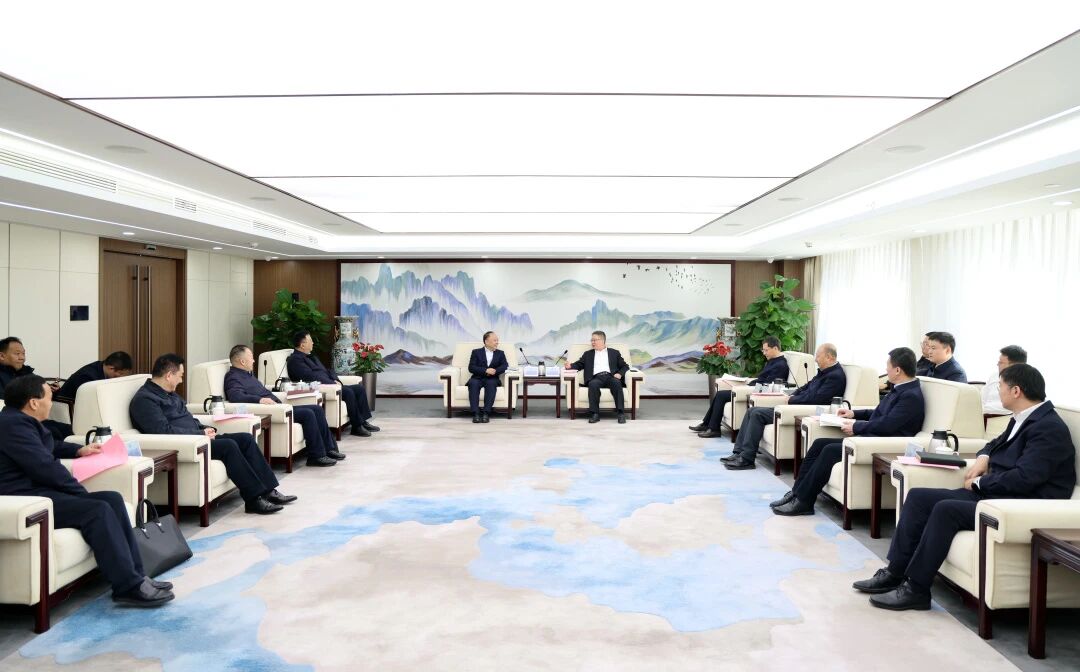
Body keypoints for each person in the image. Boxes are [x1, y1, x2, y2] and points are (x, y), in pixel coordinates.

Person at [854, 363, 1074, 611]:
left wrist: (979, 481)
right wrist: (983, 457)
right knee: (917, 497)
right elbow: (993, 444)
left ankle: (916, 589)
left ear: (1016, 391)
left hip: (1016, 504)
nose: (997, 391)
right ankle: (894, 573)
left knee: (945, 510)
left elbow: (1025, 478)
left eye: (1000, 386)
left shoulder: (1048, 428)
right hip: (995, 495)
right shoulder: (1022, 418)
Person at [0, 375, 174, 607]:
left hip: (39, 493)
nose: (51, 403)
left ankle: (138, 575)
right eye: (50, 398)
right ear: (33, 402)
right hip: (25, 500)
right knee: (97, 509)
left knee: (113, 499)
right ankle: (128, 587)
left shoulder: (19, 421)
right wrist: (80, 493)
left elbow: (47, 447)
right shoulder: (12, 425)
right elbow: (44, 466)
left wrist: (78, 450)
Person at [130, 354, 293, 515]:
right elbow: (162, 431)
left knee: (246, 439)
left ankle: (269, 491)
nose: (181, 381)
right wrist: (200, 433)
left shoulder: (170, 394)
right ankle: (253, 499)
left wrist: (205, 428)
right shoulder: (145, 400)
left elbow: (187, 418)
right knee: (229, 446)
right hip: (188, 445)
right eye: (180, 376)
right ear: (168, 375)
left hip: (198, 437)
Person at [772, 347, 925, 515]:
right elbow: (878, 413)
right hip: (871, 436)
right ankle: (796, 493)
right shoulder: (901, 388)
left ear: (897, 370)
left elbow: (887, 425)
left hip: (881, 443)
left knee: (829, 450)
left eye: (888, 365)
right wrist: (853, 414)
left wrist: (855, 426)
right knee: (819, 444)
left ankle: (804, 502)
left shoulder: (910, 396)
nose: (886, 369)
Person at [722, 343, 847, 469]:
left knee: (757, 413)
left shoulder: (835, 376)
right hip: (796, 406)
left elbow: (817, 399)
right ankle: (738, 453)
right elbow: (806, 387)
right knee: (752, 410)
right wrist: (793, 395)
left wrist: (793, 400)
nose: (815, 359)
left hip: (805, 410)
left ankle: (747, 459)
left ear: (829, 357)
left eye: (818, 356)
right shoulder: (824, 372)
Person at [223, 345, 344, 467]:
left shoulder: (248, 374)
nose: (254, 360)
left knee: (317, 409)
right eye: (251, 357)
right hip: (273, 410)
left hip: (280, 406)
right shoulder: (233, 377)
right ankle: (316, 456)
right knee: (308, 414)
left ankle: (330, 449)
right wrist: (260, 400)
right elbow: (236, 396)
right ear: (242, 361)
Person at [691, 336, 789, 439]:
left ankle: (714, 429)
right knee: (720, 394)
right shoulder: (773, 361)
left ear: (775, 348)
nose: (764, 353)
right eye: (763, 350)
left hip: (757, 392)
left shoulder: (780, 365)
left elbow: (768, 386)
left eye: (766, 350)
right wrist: (746, 383)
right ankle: (706, 424)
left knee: (721, 395)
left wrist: (747, 388)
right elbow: (762, 379)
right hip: (752, 388)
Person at [286, 331, 379, 437]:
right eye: (310, 341)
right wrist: (332, 383)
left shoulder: (311, 357)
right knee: (348, 392)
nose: (313, 343)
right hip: (319, 387)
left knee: (359, 389)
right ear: (302, 345)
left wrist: (336, 380)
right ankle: (356, 426)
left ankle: (363, 421)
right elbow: (311, 377)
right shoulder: (295, 361)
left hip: (330, 383)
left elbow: (327, 370)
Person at [0, 336, 71, 440]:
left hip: (35, 418)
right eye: (17, 354)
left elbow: (40, 388)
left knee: (68, 429)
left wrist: (51, 390)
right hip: (15, 421)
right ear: (2, 356)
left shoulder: (26, 372)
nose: (22, 357)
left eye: (23, 353)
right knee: (54, 433)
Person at [565, 331, 630, 424]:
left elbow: (625, 366)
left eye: (594, 340)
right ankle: (595, 414)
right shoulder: (588, 354)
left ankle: (621, 413)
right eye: (591, 340)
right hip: (596, 377)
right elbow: (579, 364)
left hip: (610, 376)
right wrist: (570, 366)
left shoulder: (614, 353)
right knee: (593, 385)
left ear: (602, 340)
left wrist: (620, 374)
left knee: (617, 383)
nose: (592, 342)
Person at [54, 351, 133, 401]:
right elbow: (89, 401)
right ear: (111, 368)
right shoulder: (87, 377)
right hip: (69, 407)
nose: (122, 377)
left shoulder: (102, 366)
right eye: (121, 374)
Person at [467, 331, 508, 423]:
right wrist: (485, 370)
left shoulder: (500, 353)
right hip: (477, 377)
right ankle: (476, 413)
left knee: (491, 383)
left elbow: (505, 366)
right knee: (473, 383)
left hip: (492, 378)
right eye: (495, 340)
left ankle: (486, 413)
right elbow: (471, 367)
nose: (497, 342)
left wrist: (495, 371)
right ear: (486, 341)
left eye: (497, 340)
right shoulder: (476, 352)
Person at [982, 345, 1027, 415]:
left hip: (1002, 418)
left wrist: (982, 410)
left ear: (1013, 365)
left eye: (1001, 362)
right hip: (982, 416)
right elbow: (982, 399)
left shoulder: (1026, 381)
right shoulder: (994, 376)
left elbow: (1013, 407)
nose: (997, 364)